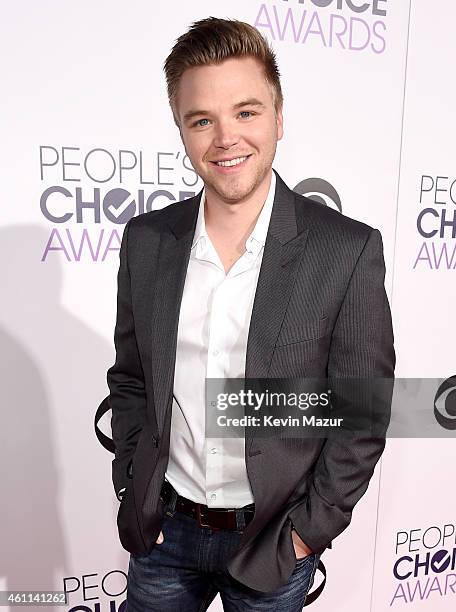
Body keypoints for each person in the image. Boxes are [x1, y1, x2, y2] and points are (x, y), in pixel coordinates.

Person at [105, 16, 395, 611]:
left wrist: (308, 531)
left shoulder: (345, 250)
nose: (225, 138)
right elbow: (131, 378)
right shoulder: (147, 241)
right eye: (202, 120)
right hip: (163, 535)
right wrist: (132, 487)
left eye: (246, 112)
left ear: (279, 118)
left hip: (273, 542)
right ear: (182, 131)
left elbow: (361, 413)